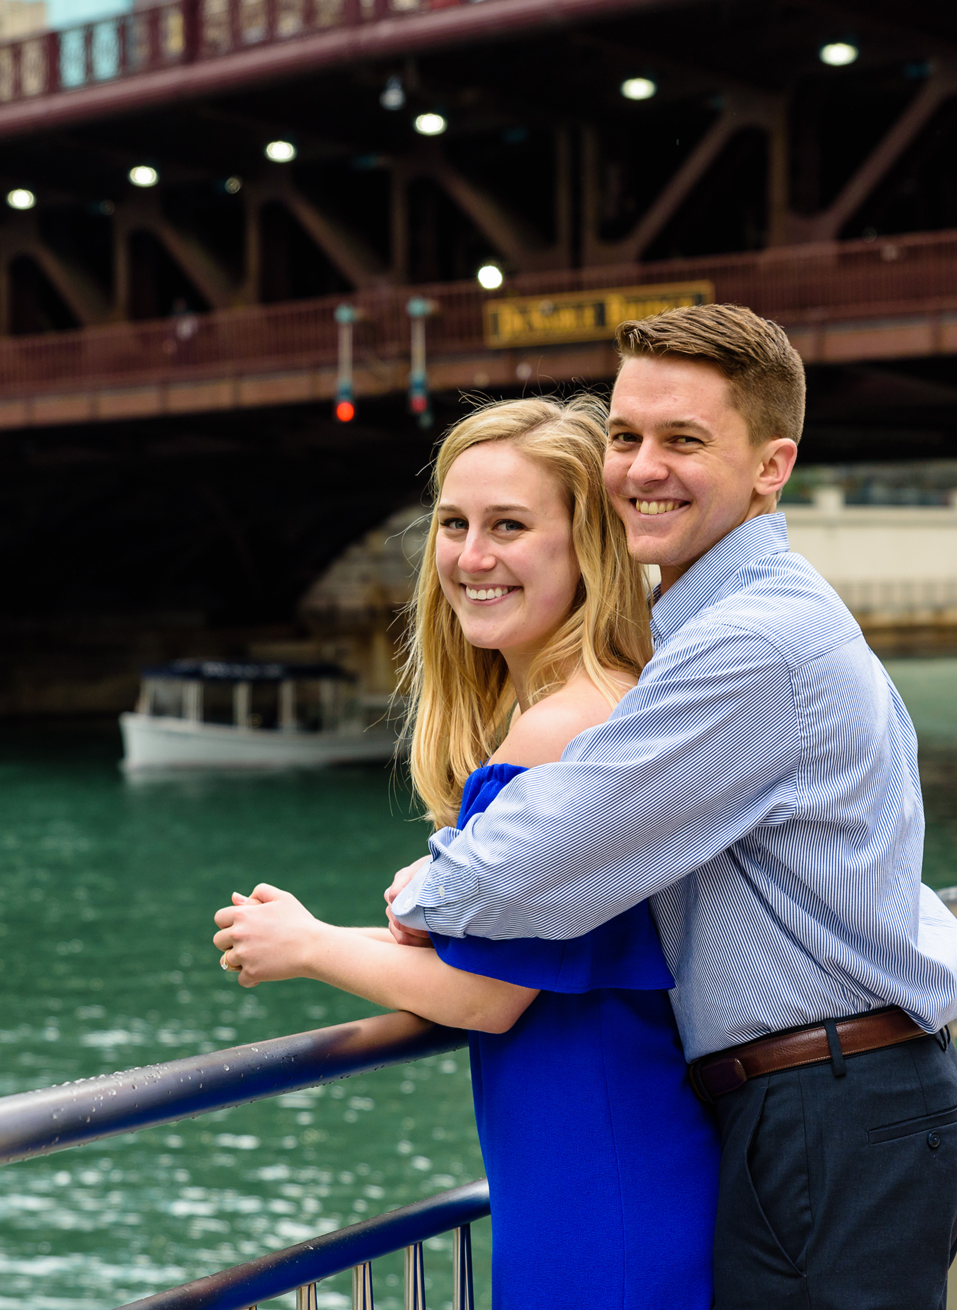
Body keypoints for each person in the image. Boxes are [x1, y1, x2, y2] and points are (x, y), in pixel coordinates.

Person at [383, 303, 957, 1309]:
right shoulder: (723, 625)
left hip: (823, 1106)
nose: (639, 467)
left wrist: (425, 890)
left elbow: (552, 853)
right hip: (824, 1097)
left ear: (769, 466)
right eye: (624, 436)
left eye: (682, 440)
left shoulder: (747, 646)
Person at [213, 396, 718, 1310]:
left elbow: (487, 997)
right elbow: (503, 964)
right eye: (453, 523)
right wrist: (319, 928)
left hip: (597, 1194)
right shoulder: (609, 705)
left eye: (510, 526)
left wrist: (310, 948)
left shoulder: (561, 735)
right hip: (612, 1164)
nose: (471, 557)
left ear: (588, 546)